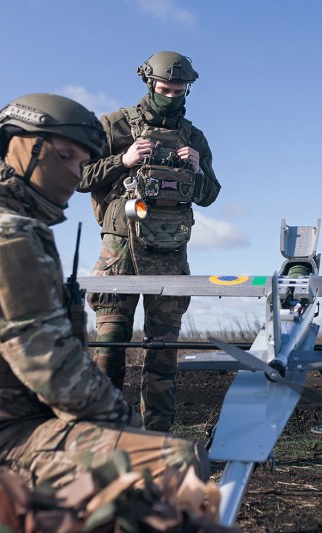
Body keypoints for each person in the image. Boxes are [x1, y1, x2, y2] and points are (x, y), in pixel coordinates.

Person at [0, 93, 208, 507]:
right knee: (177, 466)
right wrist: (131, 433)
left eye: (81, 163)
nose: (76, 175)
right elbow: (52, 366)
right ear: (25, 148)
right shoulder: (1, 233)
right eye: (65, 157)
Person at [79, 51, 221, 432]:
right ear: (149, 84)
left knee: (163, 353)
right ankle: (102, 433)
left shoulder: (194, 137)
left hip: (170, 252)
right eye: (165, 89)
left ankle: (156, 438)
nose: (172, 97)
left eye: (180, 91)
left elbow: (209, 195)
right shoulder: (113, 125)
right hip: (119, 250)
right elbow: (79, 177)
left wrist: (195, 168)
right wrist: (123, 161)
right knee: (109, 346)